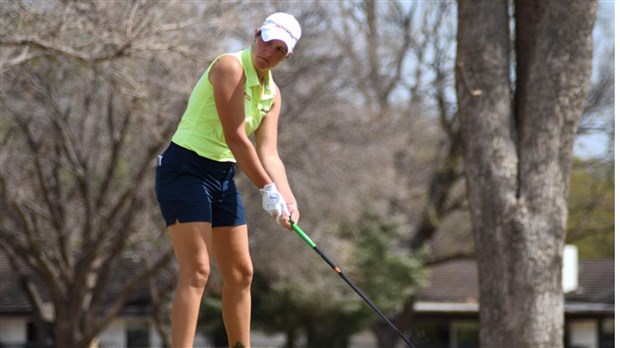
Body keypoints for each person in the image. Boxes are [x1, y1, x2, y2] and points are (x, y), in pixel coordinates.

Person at [155, 12, 302, 348]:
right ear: (256, 34)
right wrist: (267, 189)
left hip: (221, 176)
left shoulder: (272, 94)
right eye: (268, 41)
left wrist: (289, 201)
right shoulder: (229, 67)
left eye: (280, 50)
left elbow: (269, 154)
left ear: (287, 56)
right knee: (198, 271)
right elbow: (236, 137)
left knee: (241, 273)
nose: (270, 52)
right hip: (184, 170)